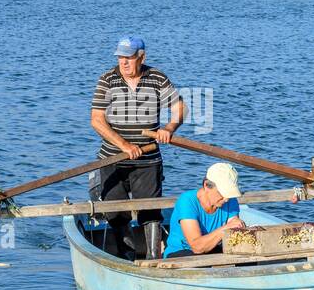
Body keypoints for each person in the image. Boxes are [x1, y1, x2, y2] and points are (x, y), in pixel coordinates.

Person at [90, 37, 184, 259]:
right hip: (112, 159)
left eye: (129, 57)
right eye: (121, 57)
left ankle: (153, 259)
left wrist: (169, 128)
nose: (124, 62)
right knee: (116, 211)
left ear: (142, 57)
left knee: (150, 211)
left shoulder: (157, 78)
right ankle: (126, 258)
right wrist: (124, 145)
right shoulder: (107, 80)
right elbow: (96, 120)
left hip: (148, 160)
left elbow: (180, 107)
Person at [163, 163, 246, 258]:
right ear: (206, 185)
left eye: (229, 194)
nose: (226, 199)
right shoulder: (187, 201)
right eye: (222, 193)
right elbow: (197, 247)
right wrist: (226, 228)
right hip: (181, 252)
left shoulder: (230, 200)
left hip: (212, 249)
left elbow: (233, 231)